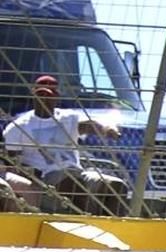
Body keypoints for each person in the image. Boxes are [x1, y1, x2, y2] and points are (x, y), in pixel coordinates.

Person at [4, 75, 126, 216]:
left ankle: (114, 224)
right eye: (40, 95)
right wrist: (31, 175)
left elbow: (89, 125)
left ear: (56, 97)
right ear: (33, 95)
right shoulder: (18, 127)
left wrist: (107, 129)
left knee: (116, 186)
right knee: (75, 186)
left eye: (49, 96)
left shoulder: (68, 118)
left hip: (77, 172)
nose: (44, 99)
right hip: (45, 176)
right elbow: (11, 162)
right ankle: (91, 222)